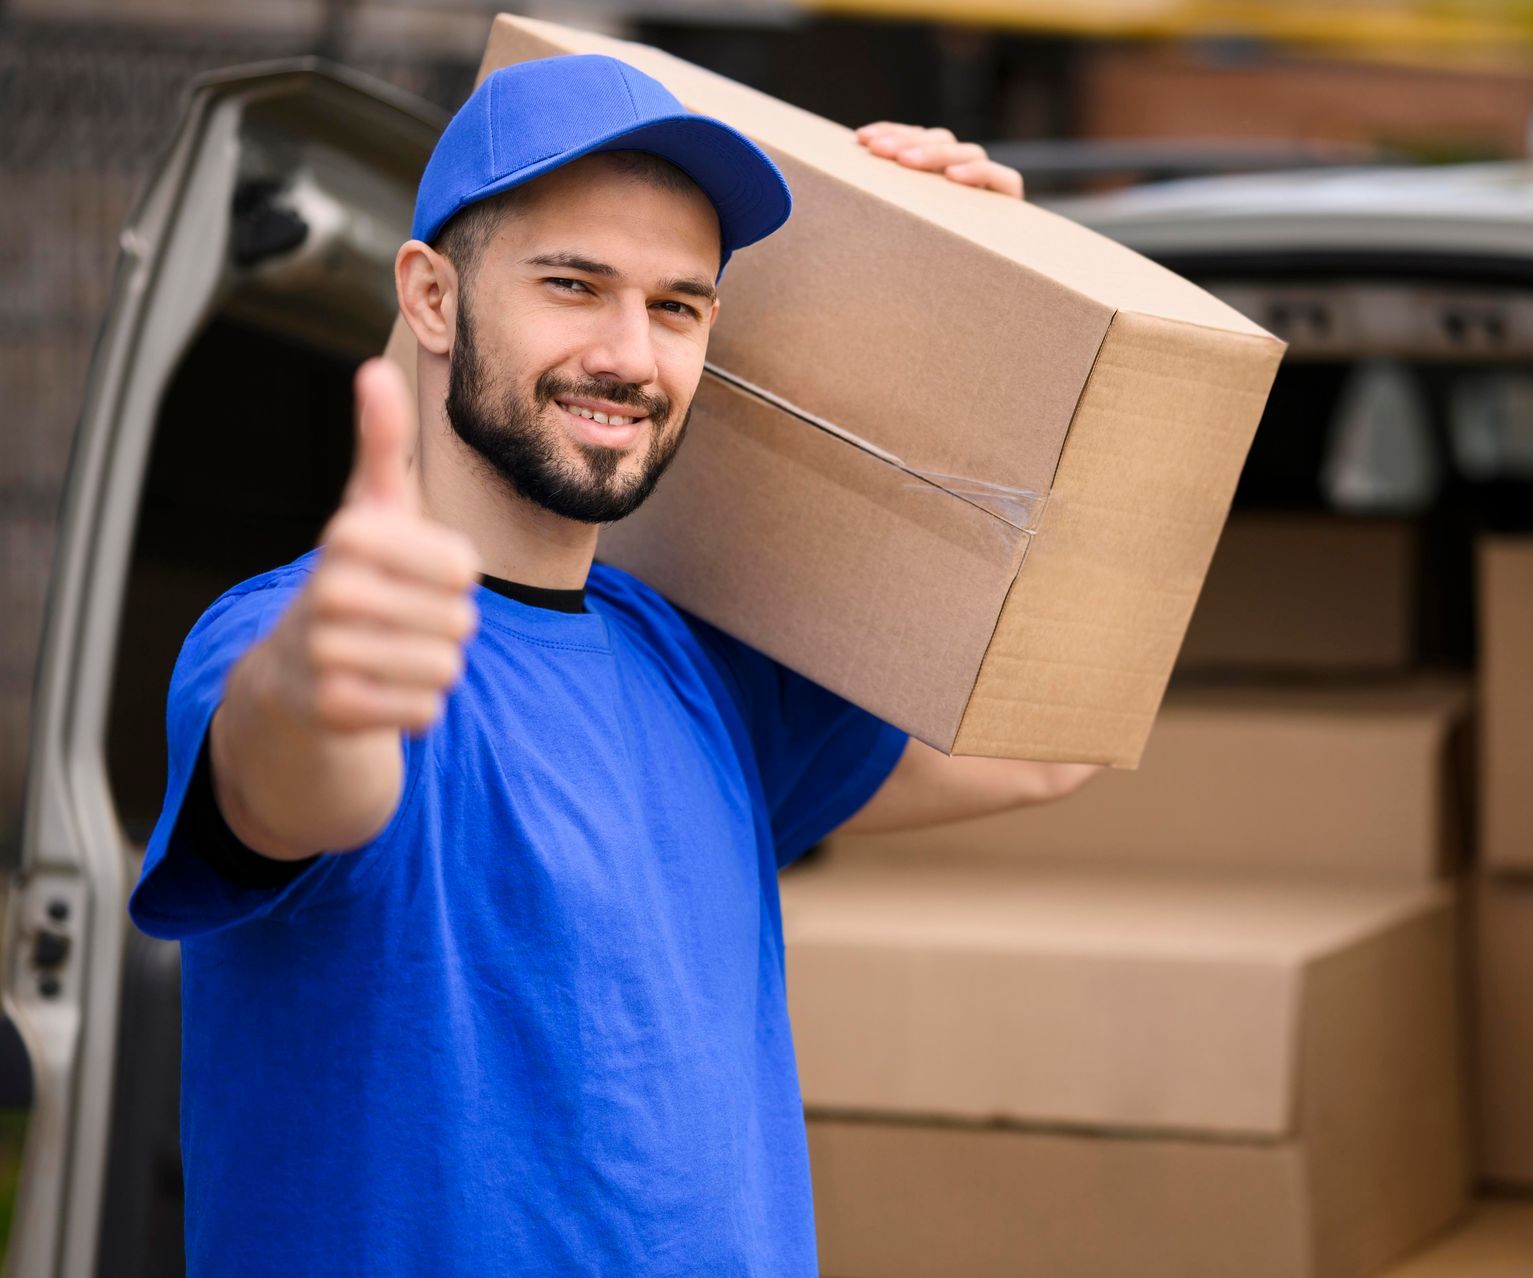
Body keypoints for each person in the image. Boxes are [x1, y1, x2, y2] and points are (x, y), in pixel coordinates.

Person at [128, 53, 1090, 1277]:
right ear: (430, 297)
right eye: (575, 285)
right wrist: (318, 691)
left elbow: (1051, 743)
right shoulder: (301, 636)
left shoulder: (699, 673)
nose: (631, 355)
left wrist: (1019, 305)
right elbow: (295, 776)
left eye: (677, 306)